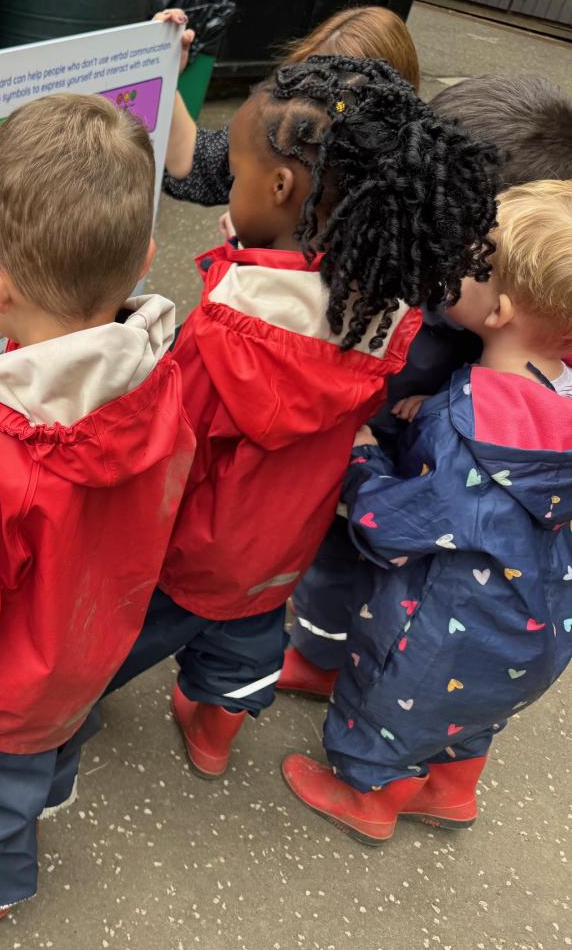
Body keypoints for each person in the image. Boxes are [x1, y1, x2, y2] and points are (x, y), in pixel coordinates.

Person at [106, 56, 499, 779]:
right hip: (283, 549)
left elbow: (168, 442)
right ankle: (212, 737)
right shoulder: (379, 317)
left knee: (123, 637)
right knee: (241, 649)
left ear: (281, 187)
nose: (231, 188)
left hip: (194, 549)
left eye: (237, 177)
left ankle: (70, 712)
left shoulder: (224, 336)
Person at [0, 94, 195, 919]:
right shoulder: (164, 377)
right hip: (92, 641)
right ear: (144, 259)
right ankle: (47, 790)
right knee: (55, 739)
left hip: (6, 689)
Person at [282, 180, 572, 845]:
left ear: (499, 310)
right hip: (533, 628)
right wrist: (439, 406)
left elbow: (391, 527)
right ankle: (451, 791)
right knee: (467, 716)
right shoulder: (557, 395)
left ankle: (366, 797)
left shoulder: (467, 439)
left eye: (472, 259)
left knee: (386, 705)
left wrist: (364, 461)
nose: (455, 259)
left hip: (445, 629)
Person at [281, 72, 572, 696]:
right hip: (410, 481)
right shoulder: (535, 323)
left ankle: (319, 655)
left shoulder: (458, 303)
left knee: (341, 561)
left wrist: (365, 462)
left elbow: (392, 517)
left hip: (384, 480)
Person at [158, 6, 420, 213]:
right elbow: (198, 164)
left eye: (321, 97)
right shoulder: (277, 132)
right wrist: (164, 76)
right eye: (295, 83)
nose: (296, 106)